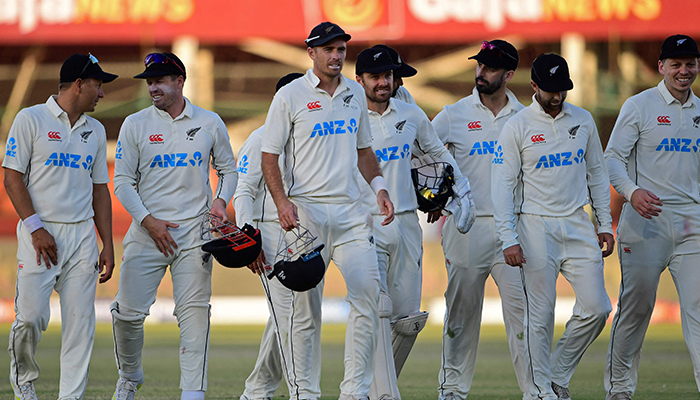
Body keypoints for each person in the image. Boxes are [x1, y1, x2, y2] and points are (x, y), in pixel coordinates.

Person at [260, 22, 395, 400]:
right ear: (311, 53)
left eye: (341, 49)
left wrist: (380, 189)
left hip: (352, 215)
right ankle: (306, 394)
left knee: (369, 298)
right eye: (329, 50)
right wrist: (282, 202)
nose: (336, 56)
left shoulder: (355, 92)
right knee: (305, 314)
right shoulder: (289, 95)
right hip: (308, 216)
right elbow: (269, 155)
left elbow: (364, 151)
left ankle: (354, 392)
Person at [111, 52, 238, 400]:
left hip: (196, 235)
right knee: (126, 315)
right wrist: (149, 222)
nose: (153, 87)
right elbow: (122, 182)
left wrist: (219, 202)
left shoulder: (210, 122)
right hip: (147, 234)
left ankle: (193, 393)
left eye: (159, 81)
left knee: (194, 314)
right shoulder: (135, 124)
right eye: (149, 82)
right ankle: (129, 376)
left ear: (179, 81)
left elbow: (229, 171)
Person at [352, 47, 474, 400]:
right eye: (375, 76)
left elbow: (438, 154)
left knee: (407, 322)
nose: (383, 82)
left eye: (388, 75)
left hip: (406, 224)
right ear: (359, 79)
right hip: (364, 224)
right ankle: (383, 395)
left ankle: (370, 391)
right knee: (377, 310)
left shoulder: (411, 114)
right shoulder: (345, 118)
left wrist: (462, 193)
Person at [492, 53, 615, 400]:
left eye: (562, 89)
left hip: (577, 222)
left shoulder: (584, 120)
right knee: (540, 315)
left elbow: (596, 173)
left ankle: (557, 373)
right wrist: (508, 239)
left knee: (598, 307)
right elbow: (503, 186)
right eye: (550, 90)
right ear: (534, 87)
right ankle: (540, 392)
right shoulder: (517, 126)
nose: (557, 97)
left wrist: (604, 223)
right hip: (534, 226)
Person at [3, 53, 117, 400]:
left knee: (81, 325)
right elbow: (11, 178)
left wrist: (107, 244)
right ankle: (24, 380)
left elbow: (100, 191)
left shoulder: (95, 130)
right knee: (30, 318)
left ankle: (70, 397)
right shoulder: (31, 119)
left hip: (81, 236)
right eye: (98, 85)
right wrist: (36, 228)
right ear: (79, 84)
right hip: (39, 233)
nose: (102, 94)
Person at [604, 34, 700, 400]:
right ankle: (619, 391)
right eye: (676, 64)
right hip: (646, 221)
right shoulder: (640, 106)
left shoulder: (699, 111)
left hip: (692, 224)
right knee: (636, 308)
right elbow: (611, 159)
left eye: (690, 64)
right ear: (661, 67)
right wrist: (633, 193)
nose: (684, 71)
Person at [431, 39, 528, 400]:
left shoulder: (524, 117)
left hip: (514, 230)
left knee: (525, 318)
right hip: (465, 227)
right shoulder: (453, 115)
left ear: (509, 74)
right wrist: (433, 197)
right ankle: (452, 391)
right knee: (461, 316)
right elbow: (418, 152)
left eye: (489, 68)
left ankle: (536, 391)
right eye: (479, 65)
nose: (481, 72)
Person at [236, 72, 308, 400]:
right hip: (269, 235)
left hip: (306, 236)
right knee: (290, 318)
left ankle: (256, 390)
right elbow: (244, 191)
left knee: (287, 317)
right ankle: (300, 393)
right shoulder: (259, 138)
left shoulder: (310, 138)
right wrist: (248, 238)